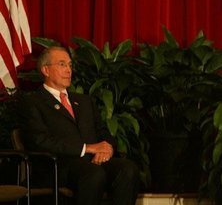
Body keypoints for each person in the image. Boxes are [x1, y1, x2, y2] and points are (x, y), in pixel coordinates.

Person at [17, 46, 139, 205]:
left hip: (93, 162)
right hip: (58, 166)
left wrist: (107, 148)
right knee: (93, 174)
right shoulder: (33, 102)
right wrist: (86, 148)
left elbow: (103, 131)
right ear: (46, 70)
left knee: (127, 169)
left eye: (70, 65)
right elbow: (40, 141)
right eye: (62, 64)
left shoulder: (84, 101)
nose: (68, 70)